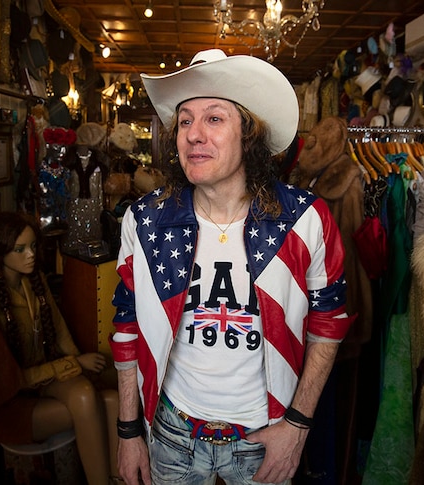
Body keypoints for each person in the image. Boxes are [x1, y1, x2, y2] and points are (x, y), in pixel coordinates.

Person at [109, 49, 354, 485]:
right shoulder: (145, 221)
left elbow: (329, 324)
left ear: (249, 133)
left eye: (214, 119)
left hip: (263, 437)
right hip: (171, 436)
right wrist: (129, 432)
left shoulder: (303, 220)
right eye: (185, 121)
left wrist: (297, 427)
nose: (193, 135)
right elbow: (126, 327)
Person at [0, 211, 119, 485]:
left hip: (41, 382)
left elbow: (60, 331)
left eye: (33, 246)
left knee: (111, 399)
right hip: (10, 402)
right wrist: (75, 364)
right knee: (88, 398)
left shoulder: (33, 280)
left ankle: (117, 480)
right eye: (20, 249)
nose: (30, 254)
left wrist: (77, 361)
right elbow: (11, 380)